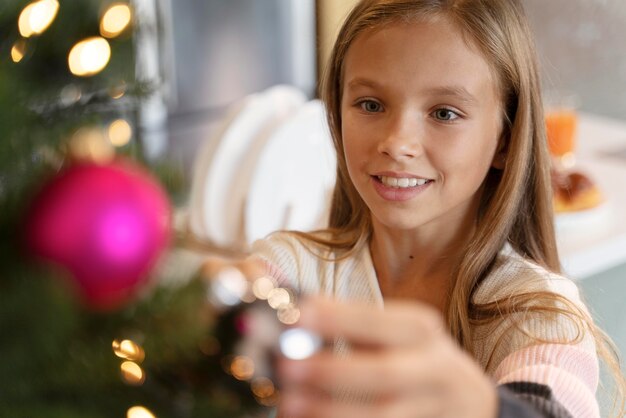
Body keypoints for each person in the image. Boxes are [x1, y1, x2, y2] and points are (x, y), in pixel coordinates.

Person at [207, 0, 626, 417]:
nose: (397, 142)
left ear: (504, 139)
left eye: (445, 113)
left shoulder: (539, 314)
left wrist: (482, 406)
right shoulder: (293, 266)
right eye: (370, 104)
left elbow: (553, 404)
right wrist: (209, 304)